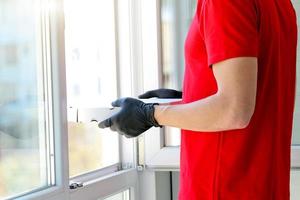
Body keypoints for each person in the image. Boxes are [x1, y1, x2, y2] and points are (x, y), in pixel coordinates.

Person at [99, 0, 298, 199]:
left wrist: (150, 114)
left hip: (223, 189)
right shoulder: (280, 4)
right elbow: (256, 90)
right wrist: (192, 93)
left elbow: (234, 110)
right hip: (265, 187)